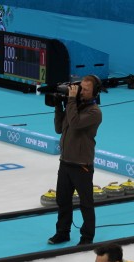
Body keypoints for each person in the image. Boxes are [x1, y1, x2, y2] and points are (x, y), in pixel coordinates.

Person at [48, 75, 102, 246]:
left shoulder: (94, 112)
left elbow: (76, 123)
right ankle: (62, 232)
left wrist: (70, 101)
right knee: (62, 200)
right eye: (82, 88)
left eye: (86, 89)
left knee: (86, 203)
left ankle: (87, 237)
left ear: (95, 92)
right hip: (65, 162)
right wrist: (58, 107)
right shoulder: (74, 107)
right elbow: (59, 128)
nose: (82, 92)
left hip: (82, 165)